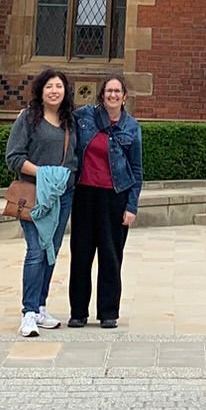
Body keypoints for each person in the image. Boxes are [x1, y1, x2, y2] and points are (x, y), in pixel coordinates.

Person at [4, 66, 77, 337]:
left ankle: (41, 305)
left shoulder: (71, 121)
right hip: (33, 194)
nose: (54, 91)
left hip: (62, 197)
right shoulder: (28, 119)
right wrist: (45, 173)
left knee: (51, 251)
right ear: (41, 90)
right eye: (49, 86)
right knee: (35, 251)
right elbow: (13, 157)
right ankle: (28, 312)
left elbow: (73, 159)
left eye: (59, 86)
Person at [68, 73, 144, 329]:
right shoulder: (84, 117)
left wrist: (131, 206)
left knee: (111, 257)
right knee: (81, 254)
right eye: (109, 91)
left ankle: (108, 312)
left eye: (117, 92)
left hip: (115, 196)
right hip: (85, 195)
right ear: (102, 95)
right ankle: (78, 311)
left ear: (124, 97)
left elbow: (136, 168)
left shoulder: (132, 126)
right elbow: (59, 119)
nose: (113, 95)